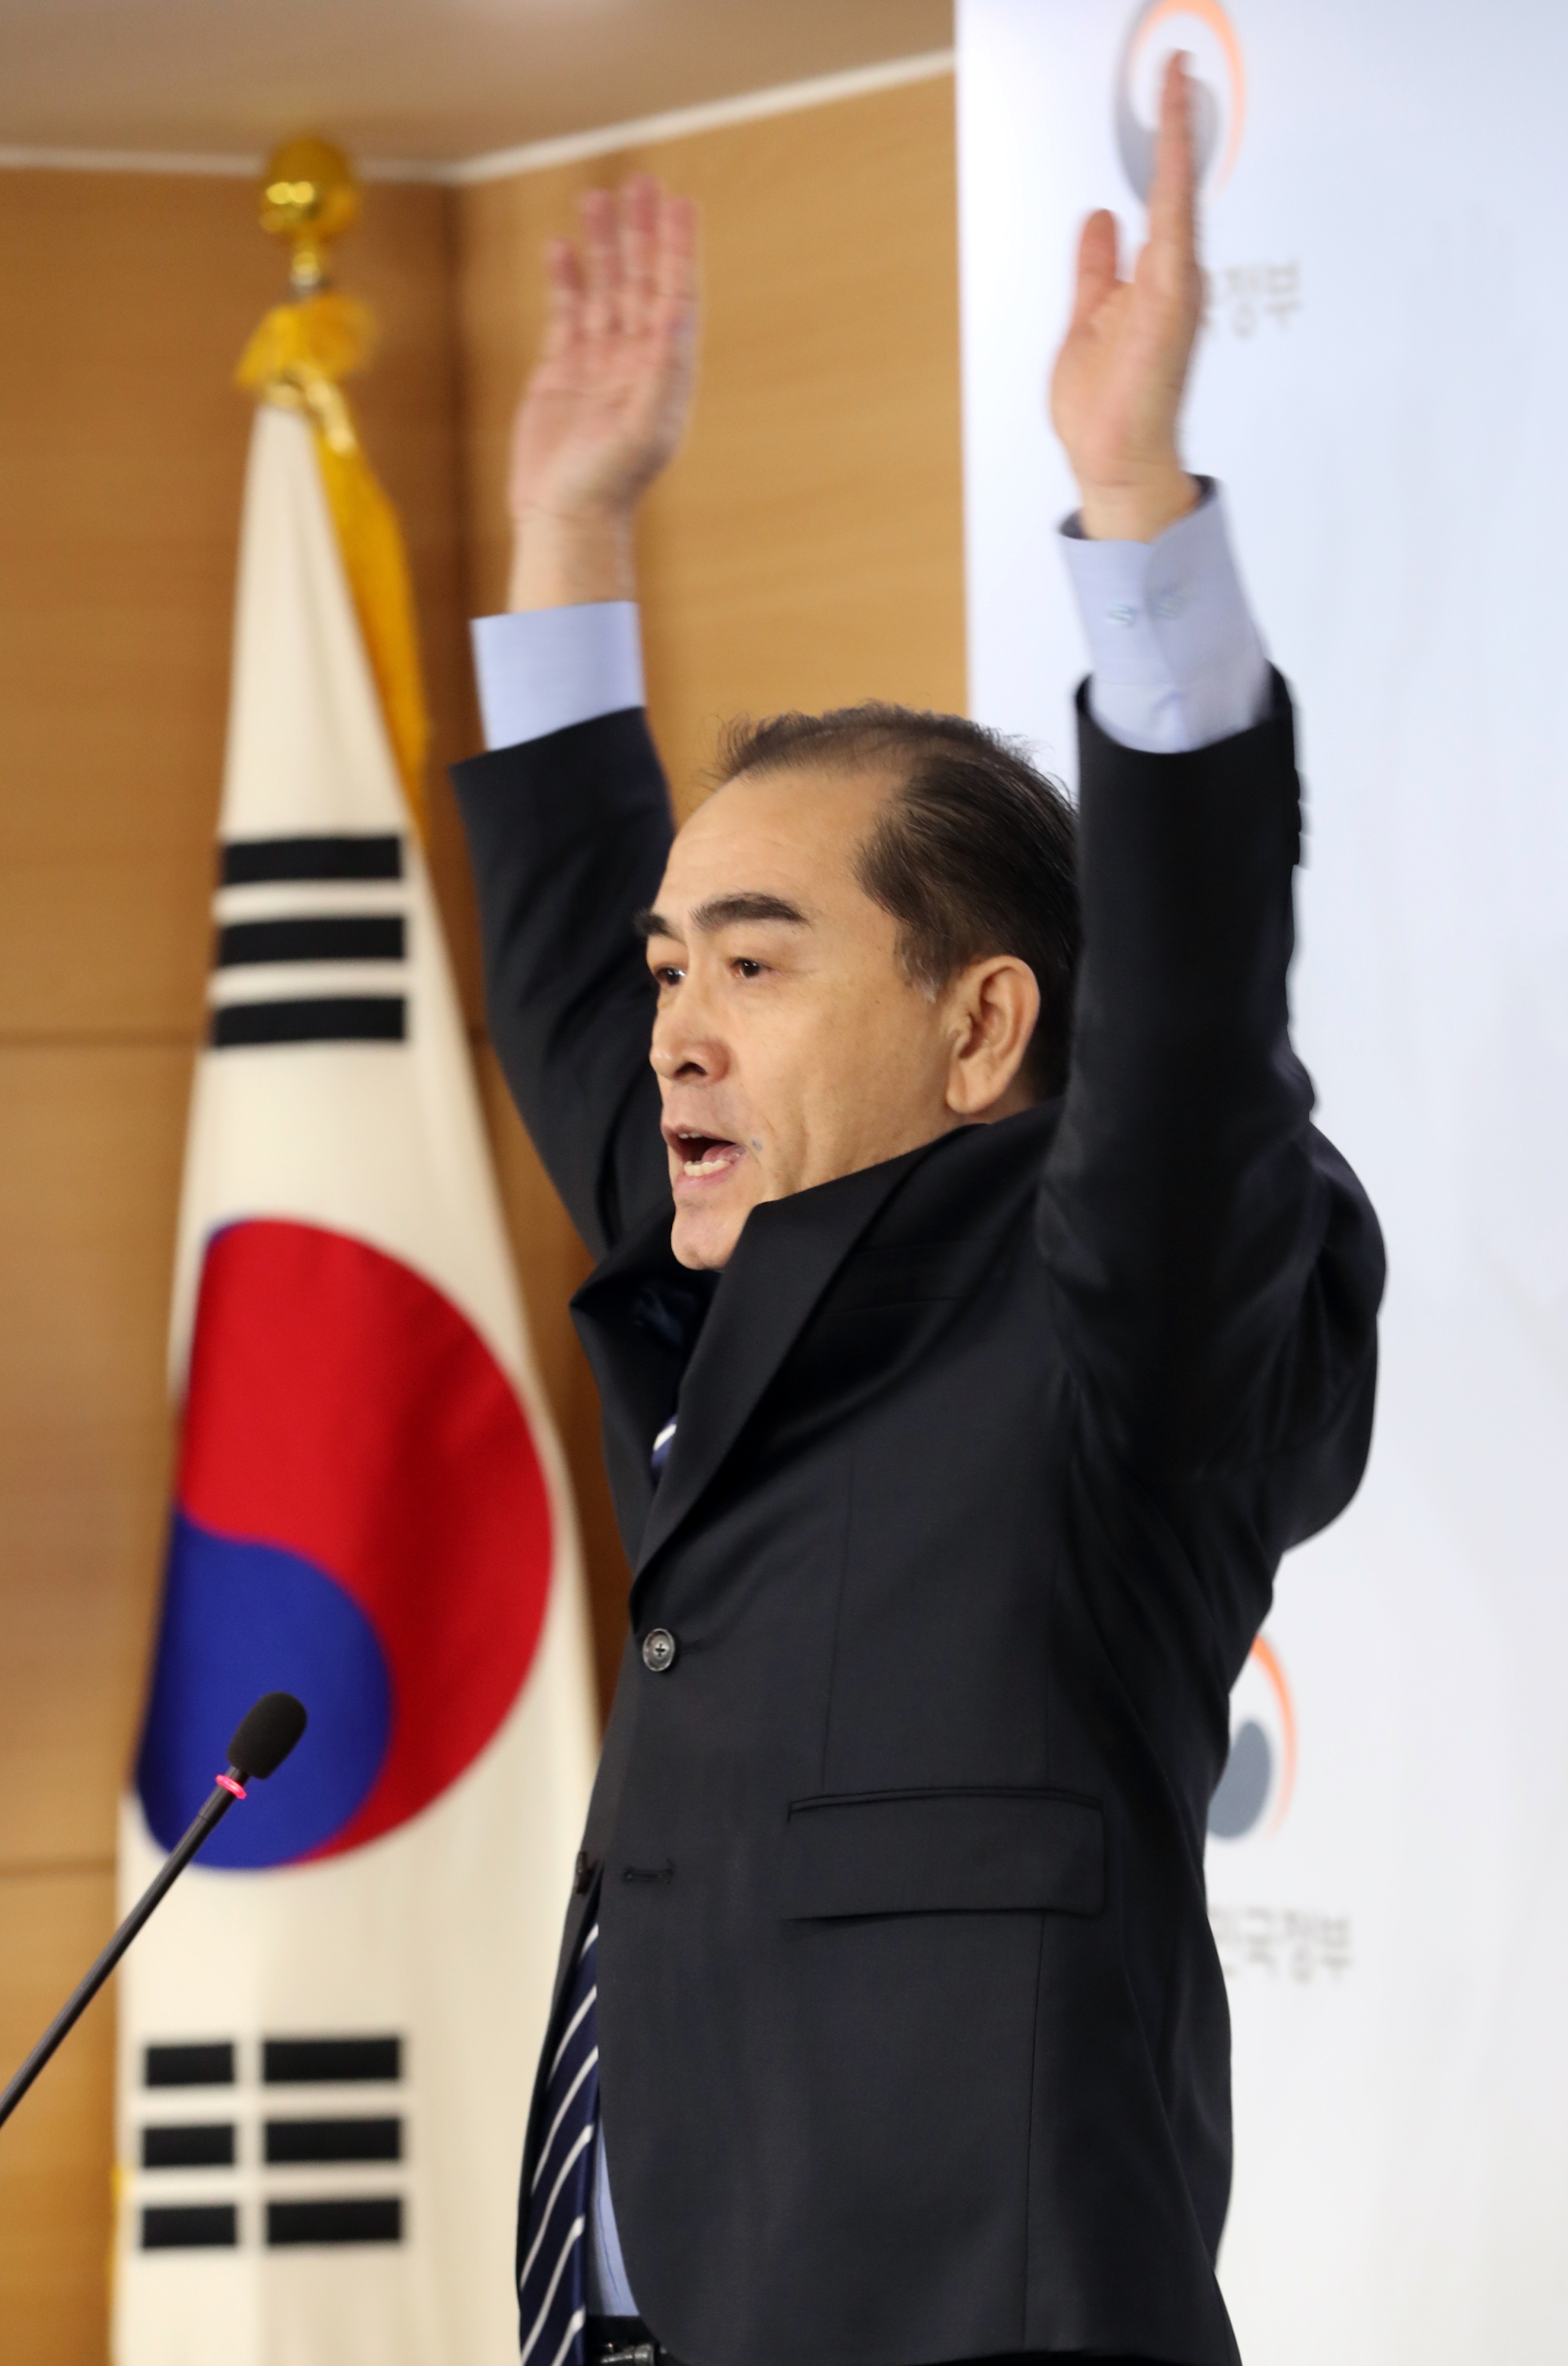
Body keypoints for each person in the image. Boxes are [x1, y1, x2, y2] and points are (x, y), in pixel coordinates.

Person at [453, 58, 1383, 2366]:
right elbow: (573, 994)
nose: (676, 1036)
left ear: (983, 1028)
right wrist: (567, 526)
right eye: (673, 972)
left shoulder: (1112, 1336)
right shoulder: (760, 1259)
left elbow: (1185, 1055)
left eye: (755, 967)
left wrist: (1135, 513)